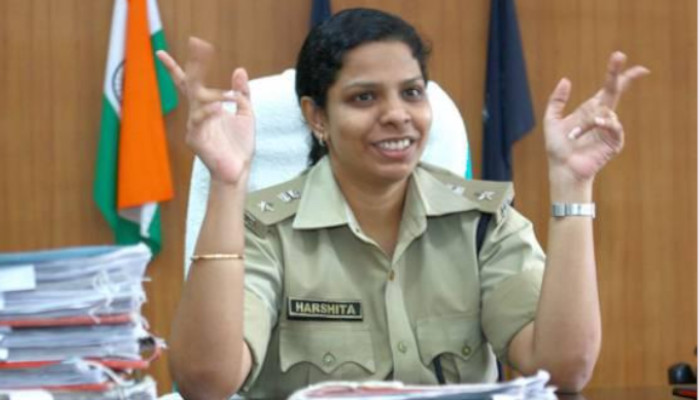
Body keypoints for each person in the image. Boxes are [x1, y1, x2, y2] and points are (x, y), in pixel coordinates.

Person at [157, 8, 649, 400]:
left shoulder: (481, 222)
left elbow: (564, 370)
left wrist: (572, 186)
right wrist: (228, 183)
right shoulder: (265, 229)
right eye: (364, 98)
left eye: (412, 93)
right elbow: (206, 384)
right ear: (317, 117)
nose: (397, 114)